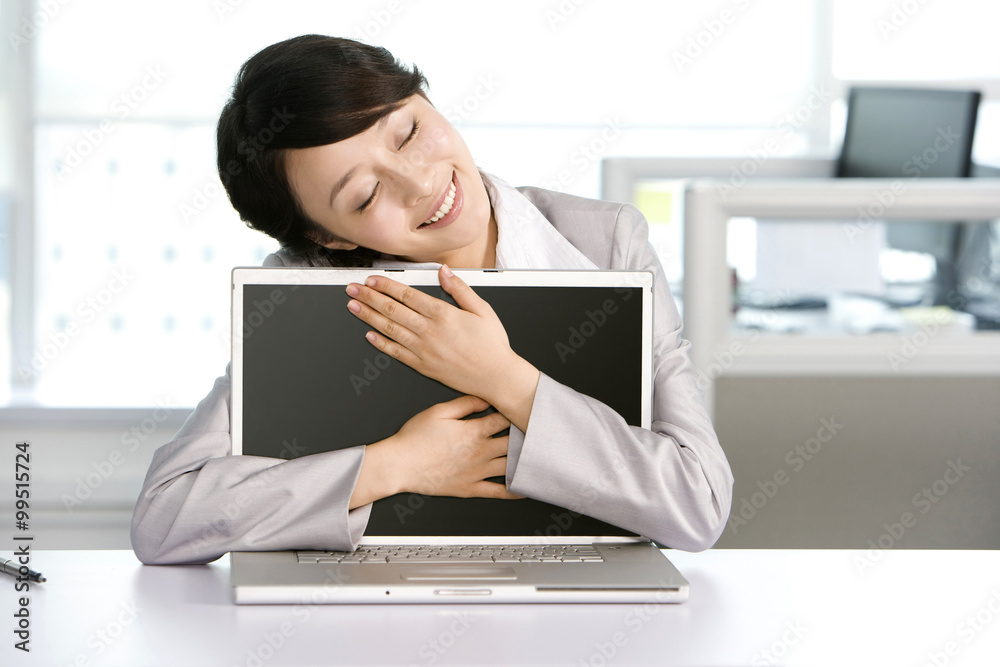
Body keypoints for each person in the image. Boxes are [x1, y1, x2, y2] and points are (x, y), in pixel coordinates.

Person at [130, 34, 733, 565]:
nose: (422, 184)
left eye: (409, 131)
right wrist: (392, 465)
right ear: (331, 237)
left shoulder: (606, 244)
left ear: (427, 98)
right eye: (366, 197)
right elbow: (165, 518)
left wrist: (508, 381)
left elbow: (697, 504)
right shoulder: (302, 288)